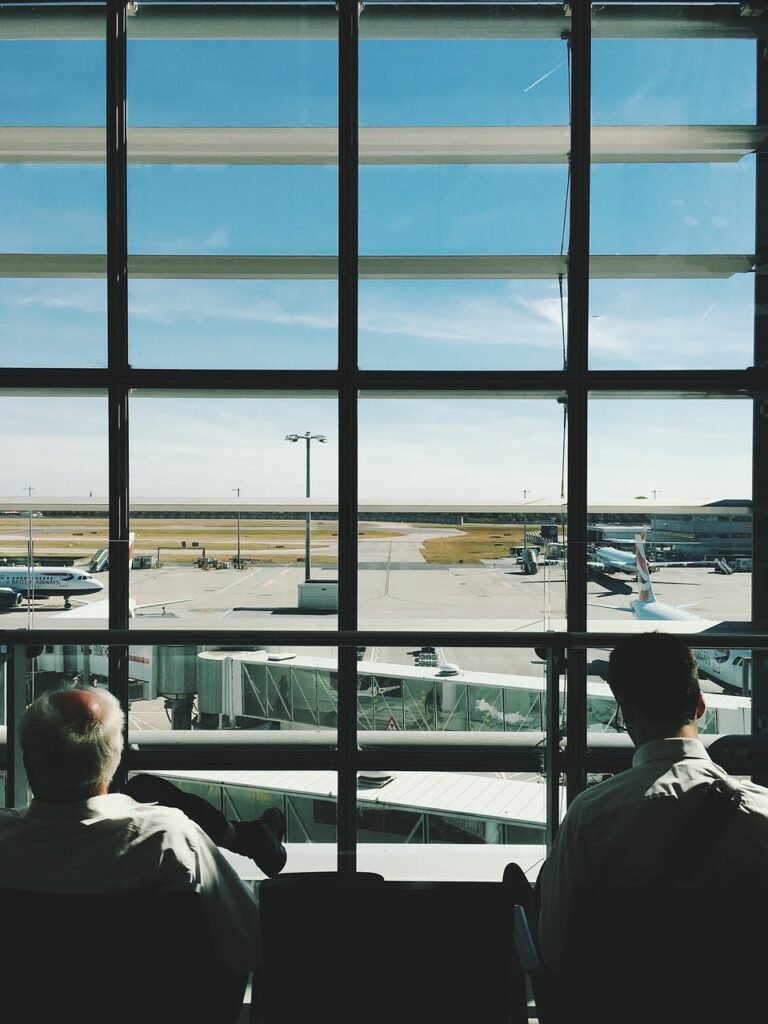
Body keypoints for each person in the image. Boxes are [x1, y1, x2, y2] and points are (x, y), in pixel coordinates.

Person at [0, 685, 287, 975]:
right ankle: (253, 837)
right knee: (145, 788)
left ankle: (253, 837)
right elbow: (249, 941)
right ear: (115, 758)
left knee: (144, 788)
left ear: (28, 763)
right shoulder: (168, 839)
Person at [536, 632, 768, 976]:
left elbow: (555, 949)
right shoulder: (762, 813)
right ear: (700, 705)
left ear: (625, 715)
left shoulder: (591, 817)